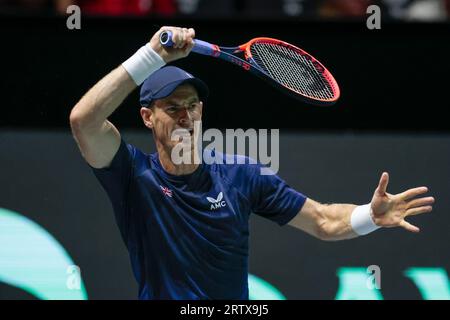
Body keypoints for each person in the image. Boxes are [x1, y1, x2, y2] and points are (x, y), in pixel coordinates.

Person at [69, 26, 434, 299]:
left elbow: (323, 221)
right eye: (172, 107)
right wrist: (150, 55)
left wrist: (370, 216)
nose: (186, 116)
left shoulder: (241, 175)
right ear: (148, 117)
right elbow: (83, 120)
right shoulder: (133, 176)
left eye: (192, 106)